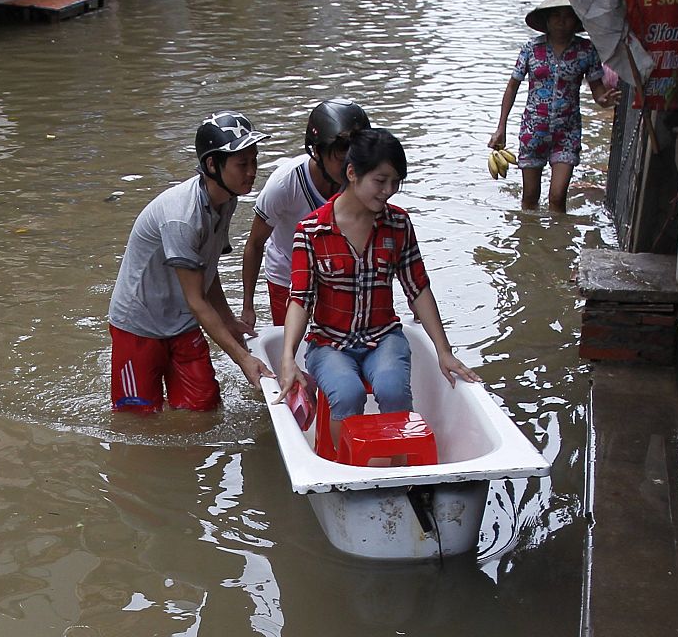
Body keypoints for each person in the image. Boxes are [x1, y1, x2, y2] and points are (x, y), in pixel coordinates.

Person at [275, 129, 479, 451]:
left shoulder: (398, 224)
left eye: (395, 183)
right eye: (380, 181)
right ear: (353, 173)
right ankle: (345, 470)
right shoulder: (311, 231)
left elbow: (418, 288)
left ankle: (399, 470)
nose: (388, 191)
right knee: (347, 393)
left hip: (383, 337)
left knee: (394, 389)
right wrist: (288, 358)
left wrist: (444, 351)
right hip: (330, 342)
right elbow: (300, 299)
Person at [109, 112, 276, 412]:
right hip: (139, 325)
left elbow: (207, 272)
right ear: (213, 165)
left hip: (180, 319)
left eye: (254, 161)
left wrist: (228, 320)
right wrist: (243, 358)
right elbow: (197, 300)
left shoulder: (226, 199)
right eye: (242, 164)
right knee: (138, 416)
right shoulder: (182, 218)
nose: (252, 171)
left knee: (205, 407)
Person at [241, 98, 372, 329]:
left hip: (335, 271)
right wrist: (248, 306)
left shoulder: (361, 182)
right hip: (286, 274)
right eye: (342, 154)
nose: (351, 165)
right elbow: (254, 244)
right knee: (294, 344)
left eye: (358, 154)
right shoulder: (284, 184)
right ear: (318, 152)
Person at [488, 0, 616, 211]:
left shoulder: (586, 50)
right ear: (546, 21)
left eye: (567, 17)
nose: (561, 22)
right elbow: (512, 87)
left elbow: (597, 89)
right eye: (556, 16)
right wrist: (501, 127)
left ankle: (558, 242)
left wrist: (605, 100)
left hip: (567, 132)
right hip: (533, 131)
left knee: (557, 198)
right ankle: (529, 241)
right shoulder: (531, 49)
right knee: (530, 198)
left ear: (576, 21)